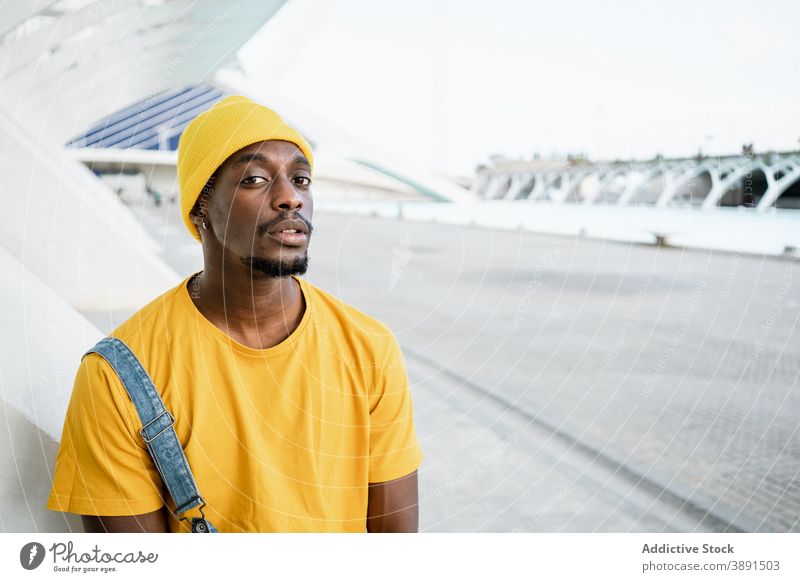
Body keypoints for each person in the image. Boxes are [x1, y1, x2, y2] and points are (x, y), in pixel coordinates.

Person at [45, 95, 424, 533]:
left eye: (301, 179)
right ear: (201, 206)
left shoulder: (369, 347)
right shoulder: (118, 376)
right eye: (256, 179)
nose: (290, 198)